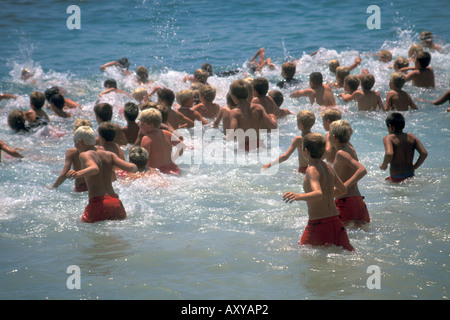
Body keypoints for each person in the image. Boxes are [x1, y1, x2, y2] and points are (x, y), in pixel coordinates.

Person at [282, 133, 354, 251]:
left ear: (306, 151)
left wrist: (297, 196)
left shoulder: (311, 169)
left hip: (318, 225)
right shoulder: (329, 167)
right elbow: (343, 189)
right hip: (336, 222)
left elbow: (318, 194)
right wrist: (329, 194)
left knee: (302, 255)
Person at [66, 126, 137, 223]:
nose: (75, 145)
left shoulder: (85, 154)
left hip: (98, 204)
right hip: (116, 203)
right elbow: (131, 168)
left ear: (80, 142)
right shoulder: (109, 154)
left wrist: (77, 174)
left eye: (75, 142)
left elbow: (94, 168)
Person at [329, 120, 370, 227]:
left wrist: (343, 187)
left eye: (329, 133)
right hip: (358, 202)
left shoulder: (340, 153)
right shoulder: (350, 148)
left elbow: (362, 170)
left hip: (345, 203)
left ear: (333, 137)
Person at [226, 79, 277, 151]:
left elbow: (232, 136)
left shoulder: (234, 113)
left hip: (245, 147)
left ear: (234, 96)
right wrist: (273, 117)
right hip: (260, 145)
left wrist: (224, 138)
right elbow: (273, 126)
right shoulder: (259, 108)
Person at [380, 112, 428, 182]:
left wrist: (383, 165)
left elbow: (389, 154)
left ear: (390, 127)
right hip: (411, 176)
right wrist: (415, 167)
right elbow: (424, 153)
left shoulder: (389, 138)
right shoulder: (411, 136)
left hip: (396, 178)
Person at [49, 119, 93, 192]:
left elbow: (64, 174)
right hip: (95, 186)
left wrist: (53, 187)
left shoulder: (72, 152)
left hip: (81, 188)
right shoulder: (96, 150)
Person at [138, 108, 184, 175]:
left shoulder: (147, 139)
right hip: (174, 169)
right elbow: (182, 146)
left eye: (142, 124)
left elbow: (144, 163)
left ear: (151, 125)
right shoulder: (167, 133)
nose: (139, 125)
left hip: (159, 172)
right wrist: (173, 158)